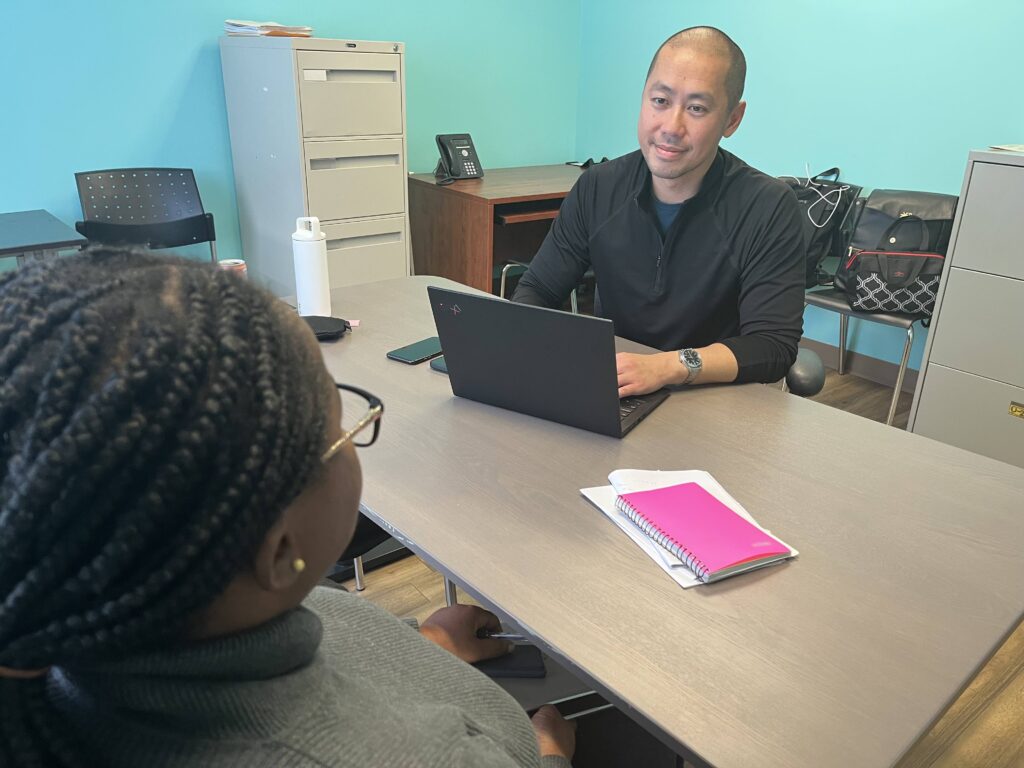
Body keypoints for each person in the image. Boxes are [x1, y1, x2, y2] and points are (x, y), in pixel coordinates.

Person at [0, 247, 574, 767]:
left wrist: (428, 649)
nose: (353, 435)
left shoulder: (84, 636)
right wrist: (549, 755)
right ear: (278, 553)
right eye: (339, 425)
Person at [513, 26, 805, 394]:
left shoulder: (768, 206)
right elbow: (538, 289)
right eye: (660, 101)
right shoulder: (598, 186)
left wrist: (667, 367)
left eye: (697, 108)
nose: (671, 127)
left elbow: (772, 346)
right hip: (618, 389)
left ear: (732, 119)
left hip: (715, 400)